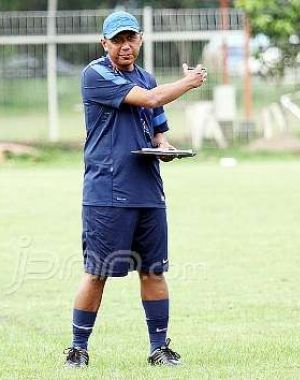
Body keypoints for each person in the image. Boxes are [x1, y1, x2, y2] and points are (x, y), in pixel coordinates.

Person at [64, 10, 206, 368]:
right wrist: (188, 83)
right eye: (118, 40)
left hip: (148, 190)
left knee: (154, 270)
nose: (125, 46)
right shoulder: (94, 74)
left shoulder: (146, 76)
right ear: (104, 43)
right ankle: (78, 348)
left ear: (140, 40)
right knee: (97, 272)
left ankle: (159, 348)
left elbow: (158, 128)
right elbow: (151, 100)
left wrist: (165, 146)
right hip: (107, 192)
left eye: (131, 39)